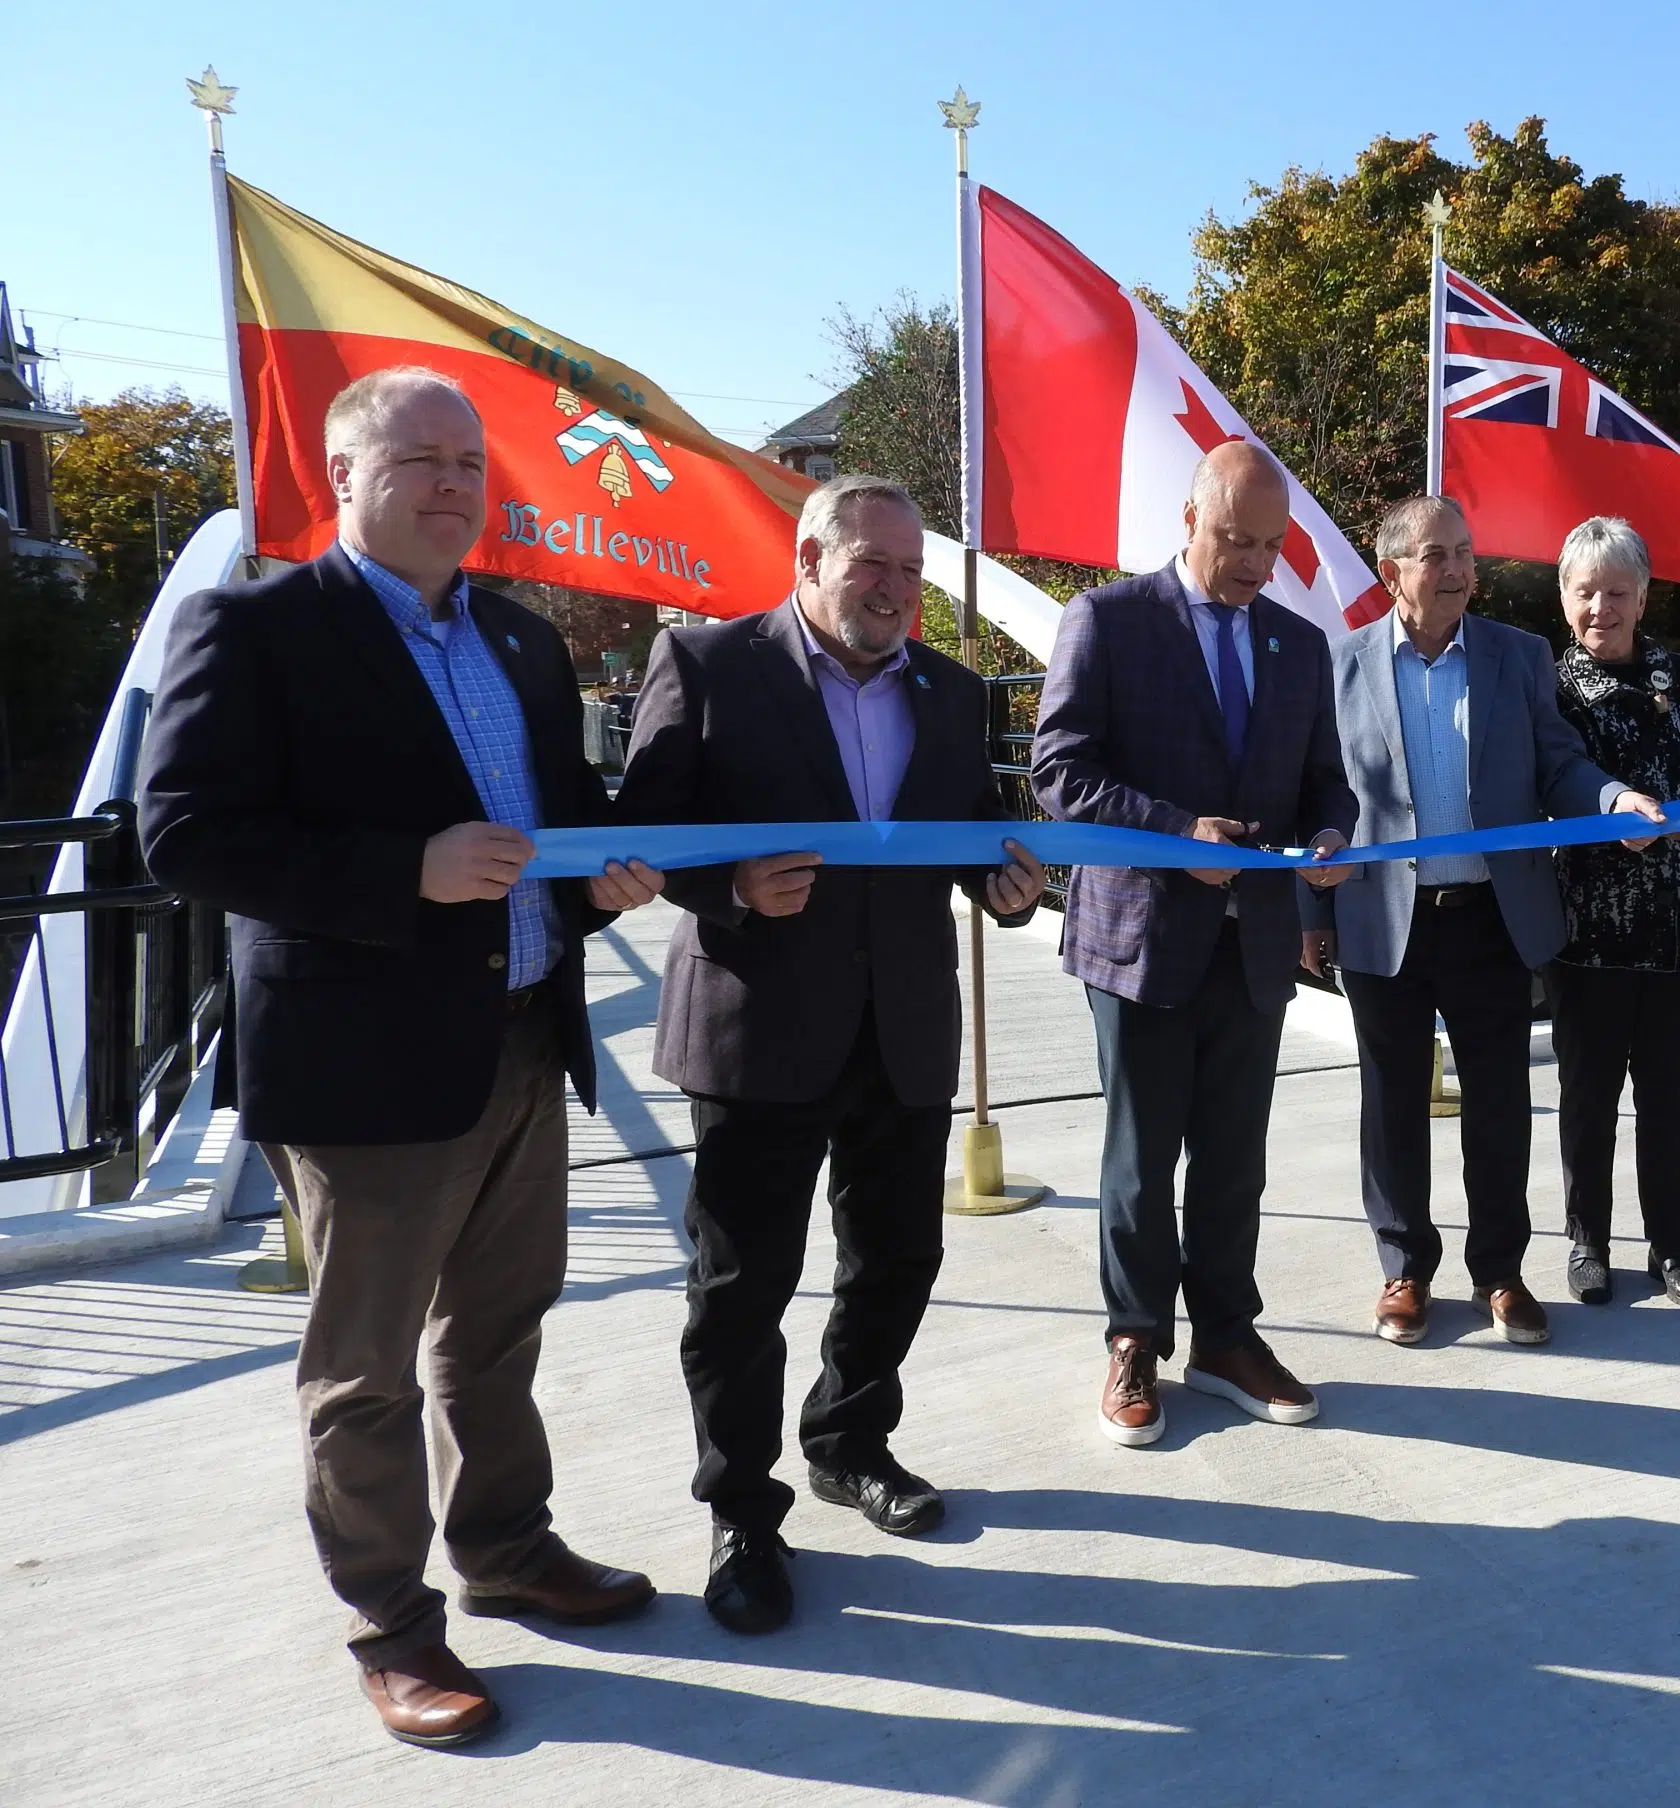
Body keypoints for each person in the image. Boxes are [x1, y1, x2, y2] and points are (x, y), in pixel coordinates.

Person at [137, 366, 664, 1749]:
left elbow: (561, 813)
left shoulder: (520, 639)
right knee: (364, 1372)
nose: (449, 485)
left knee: (495, 1338)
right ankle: (393, 1625)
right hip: (365, 1066)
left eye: (468, 465)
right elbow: (183, 832)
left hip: (521, 1040)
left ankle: (508, 1549)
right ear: (344, 476)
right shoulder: (254, 629)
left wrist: (597, 877)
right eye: (419, 460)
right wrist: (403, 874)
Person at [614, 474, 1045, 1635]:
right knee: (741, 1288)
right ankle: (741, 1513)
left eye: (911, 572)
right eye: (873, 566)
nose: (897, 591)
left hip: (902, 1029)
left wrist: (1005, 892)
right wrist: (732, 887)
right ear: (808, 559)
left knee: (896, 1259)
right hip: (758, 1030)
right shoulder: (705, 665)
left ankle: (850, 1443)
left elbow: (963, 838)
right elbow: (645, 837)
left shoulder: (953, 694)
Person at [1030, 441, 1357, 1446]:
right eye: (1235, 540)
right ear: (1188, 518)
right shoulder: (1109, 621)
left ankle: (1225, 1337)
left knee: (1233, 1161)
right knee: (1140, 1159)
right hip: (1139, 941)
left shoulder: (1298, 646)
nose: (1255, 563)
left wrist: (1332, 837)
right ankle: (1134, 1338)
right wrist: (1178, 835)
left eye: (1269, 545)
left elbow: (1325, 782)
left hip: (1253, 946)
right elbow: (1058, 773)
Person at [1303, 496, 1666, 1350]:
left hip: (1493, 919)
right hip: (1382, 919)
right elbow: (1314, 793)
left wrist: (1612, 799)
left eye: (1466, 552)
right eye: (1438, 555)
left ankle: (1500, 1271)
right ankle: (1405, 1270)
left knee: (1500, 1105)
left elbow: (1557, 764)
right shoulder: (1340, 665)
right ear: (1393, 572)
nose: (1461, 569)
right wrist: (1307, 909)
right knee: (1390, 1105)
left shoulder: (1518, 655)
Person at [1544, 517, 1680, 1309]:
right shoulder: (1549, 688)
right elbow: (1545, 783)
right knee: (1587, 1100)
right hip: (1588, 933)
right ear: (1563, 597)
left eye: (1616, 592)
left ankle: (1671, 1246)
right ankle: (1587, 1242)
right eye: (1585, 591)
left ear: (1643, 595)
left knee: (1670, 1103)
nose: (1601, 607)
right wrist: (1610, 810)